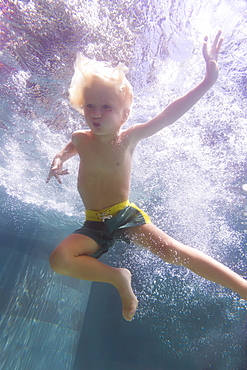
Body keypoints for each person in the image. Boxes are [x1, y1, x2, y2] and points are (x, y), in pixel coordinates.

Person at [47, 31, 247, 322]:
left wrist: (207, 82)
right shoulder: (80, 138)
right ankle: (118, 278)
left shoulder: (128, 138)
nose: (96, 113)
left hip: (124, 216)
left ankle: (241, 286)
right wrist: (56, 160)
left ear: (124, 115)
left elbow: (168, 115)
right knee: (60, 261)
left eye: (106, 107)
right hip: (93, 223)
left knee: (173, 252)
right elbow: (67, 149)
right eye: (90, 105)